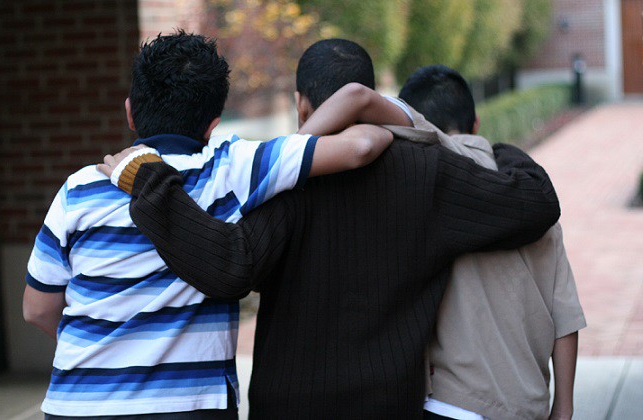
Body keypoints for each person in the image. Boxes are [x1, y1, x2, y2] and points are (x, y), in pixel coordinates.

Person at [101, 40, 562, 418]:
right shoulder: (427, 172)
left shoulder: (282, 184)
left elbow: (229, 263)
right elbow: (537, 204)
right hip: (389, 405)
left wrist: (148, 184)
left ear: (301, 104)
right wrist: (503, 150)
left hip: (289, 404)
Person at [22, 32, 401, 419]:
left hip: (76, 403)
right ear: (212, 124)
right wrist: (293, 147)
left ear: (130, 111)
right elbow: (361, 146)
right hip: (190, 407)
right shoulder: (234, 167)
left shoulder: (79, 189)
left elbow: (37, 309)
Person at [399, 65, 586, 420]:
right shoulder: (534, 199)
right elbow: (566, 317)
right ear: (476, 123)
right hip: (525, 405)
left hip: (448, 403)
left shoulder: (420, 194)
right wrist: (563, 408)